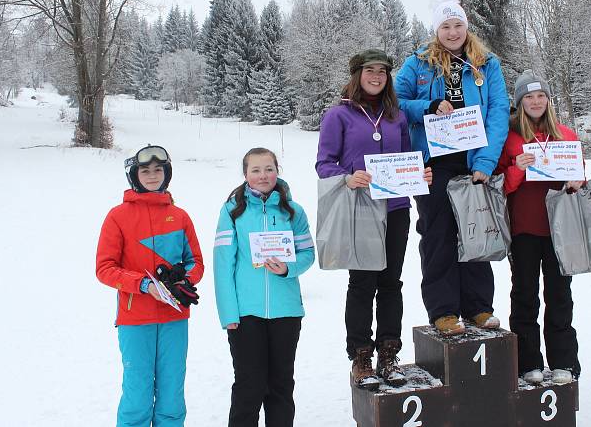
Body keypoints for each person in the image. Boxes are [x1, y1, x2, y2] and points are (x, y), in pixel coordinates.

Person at [316, 49, 433, 389]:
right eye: (370, 70)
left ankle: (388, 352)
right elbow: (324, 163)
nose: (377, 76)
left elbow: (409, 157)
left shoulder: (396, 116)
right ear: (357, 74)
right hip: (361, 209)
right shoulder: (339, 115)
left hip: (395, 209)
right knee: (363, 283)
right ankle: (361, 355)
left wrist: (419, 173)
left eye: (382, 71)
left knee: (391, 282)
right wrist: (348, 176)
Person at [394, 0, 509, 334]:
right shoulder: (418, 63)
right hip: (435, 163)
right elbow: (396, 102)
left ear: (466, 26)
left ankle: (478, 307)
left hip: (474, 160)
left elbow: (499, 112)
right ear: (436, 30)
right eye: (445, 26)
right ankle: (443, 310)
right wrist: (427, 105)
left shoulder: (487, 64)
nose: (453, 31)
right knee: (438, 234)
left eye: (458, 24)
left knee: (475, 232)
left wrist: (487, 162)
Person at [96, 145, 204, 427]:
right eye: (145, 171)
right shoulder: (117, 216)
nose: (153, 175)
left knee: (172, 392)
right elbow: (104, 269)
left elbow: (196, 262)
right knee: (137, 393)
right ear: (135, 175)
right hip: (135, 319)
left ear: (167, 173)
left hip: (174, 317)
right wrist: (144, 285)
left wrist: (184, 280)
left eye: (158, 170)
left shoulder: (180, 216)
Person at [214, 148, 315, 427]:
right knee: (250, 386)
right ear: (245, 174)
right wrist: (228, 314)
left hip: (286, 311)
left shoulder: (293, 211)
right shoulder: (233, 211)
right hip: (246, 313)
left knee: (281, 386)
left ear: (277, 170)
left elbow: (308, 254)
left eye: (269, 169)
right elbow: (223, 265)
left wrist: (288, 268)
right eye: (256, 170)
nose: (263, 175)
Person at [495, 71, 583, 386]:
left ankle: (564, 361)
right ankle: (527, 360)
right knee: (524, 296)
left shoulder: (566, 134)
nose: (535, 102)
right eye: (528, 97)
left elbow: (577, 176)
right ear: (519, 103)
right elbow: (501, 186)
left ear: (548, 100)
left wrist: (577, 180)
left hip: (559, 229)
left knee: (560, 295)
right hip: (524, 229)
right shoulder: (510, 137)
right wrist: (517, 168)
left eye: (540, 96)